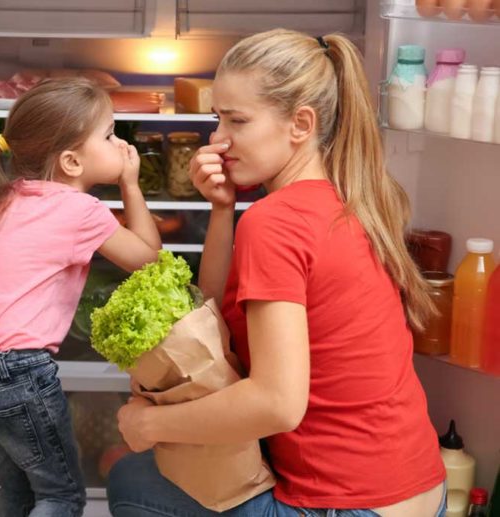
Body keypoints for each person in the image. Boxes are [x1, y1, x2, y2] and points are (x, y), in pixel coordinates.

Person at [107, 29, 447, 517]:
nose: (218, 139)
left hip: (346, 507)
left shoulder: (276, 221)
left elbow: (278, 404)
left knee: (133, 479)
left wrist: (152, 426)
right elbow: (215, 319)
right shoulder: (353, 199)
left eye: (237, 120)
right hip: (420, 491)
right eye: (216, 118)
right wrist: (222, 211)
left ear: (301, 124)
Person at [0, 78, 161, 517]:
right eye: (109, 135)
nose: (119, 145)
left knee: (19, 486)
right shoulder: (79, 210)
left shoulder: (4, 195)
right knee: (61, 495)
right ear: (72, 161)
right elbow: (149, 259)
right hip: (14, 373)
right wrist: (131, 186)